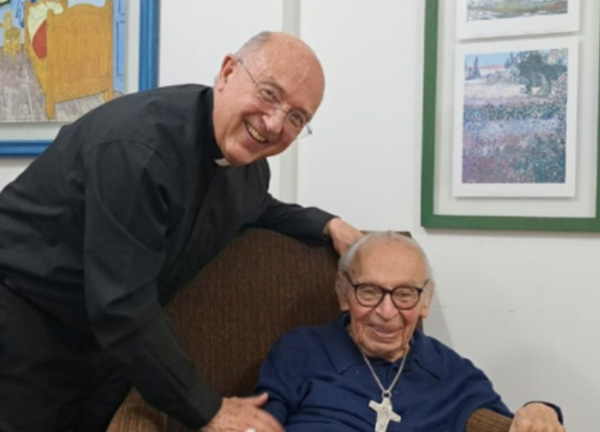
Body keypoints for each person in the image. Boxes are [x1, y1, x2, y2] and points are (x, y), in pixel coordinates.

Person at [0, 31, 362, 432]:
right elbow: (121, 307)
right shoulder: (139, 149)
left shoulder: (248, 167)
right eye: (269, 94)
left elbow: (257, 207)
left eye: (297, 117)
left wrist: (327, 224)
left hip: (100, 342)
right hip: (23, 317)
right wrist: (209, 410)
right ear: (227, 73)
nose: (275, 123)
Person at [255, 232, 565, 432]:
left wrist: (541, 409)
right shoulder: (300, 350)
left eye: (404, 294)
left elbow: (506, 422)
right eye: (369, 291)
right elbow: (257, 422)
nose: (387, 312)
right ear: (343, 293)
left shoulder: (450, 373)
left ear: (425, 301)